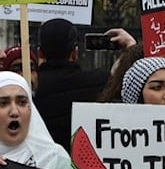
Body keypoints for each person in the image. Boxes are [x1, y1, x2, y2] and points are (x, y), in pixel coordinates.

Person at [34, 19, 110, 150]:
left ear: (40, 53)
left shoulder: (30, 89)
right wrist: (131, 47)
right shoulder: (98, 82)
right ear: (75, 53)